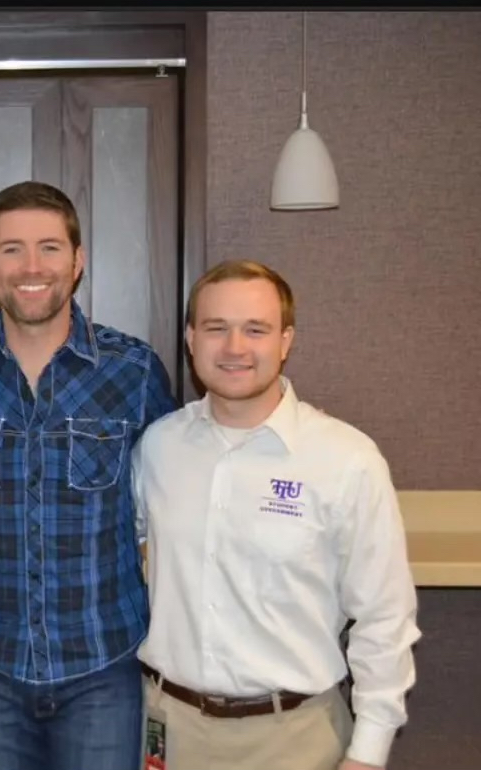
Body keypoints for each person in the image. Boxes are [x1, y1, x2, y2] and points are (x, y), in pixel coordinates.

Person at [0, 181, 178, 770]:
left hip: (104, 665)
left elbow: (174, 481)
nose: (31, 267)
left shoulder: (134, 371)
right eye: (12, 249)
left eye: (50, 248)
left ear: (78, 260)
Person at [131, 259, 420, 770]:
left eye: (256, 329)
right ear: (191, 339)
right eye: (216, 328)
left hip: (297, 738)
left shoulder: (346, 460)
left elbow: (384, 615)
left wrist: (369, 752)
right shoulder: (158, 447)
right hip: (169, 731)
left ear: (286, 340)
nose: (235, 347)